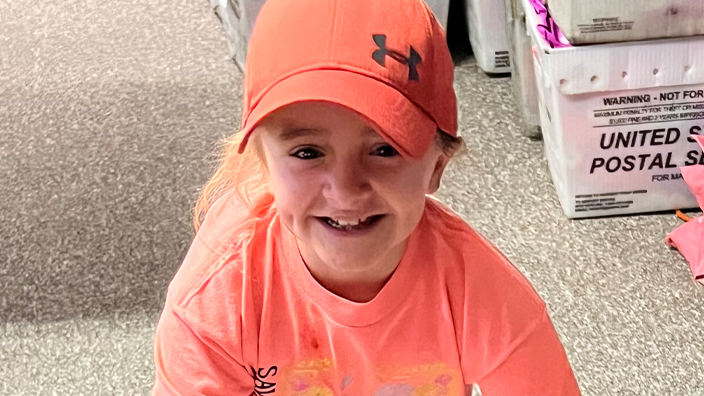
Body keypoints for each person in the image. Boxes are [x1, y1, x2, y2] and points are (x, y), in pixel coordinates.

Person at [151, 0, 581, 394]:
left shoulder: (478, 293)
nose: (345, 189)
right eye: (307, 152)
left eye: (383, 150)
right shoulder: (217, 298)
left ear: (436, 166)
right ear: (264, 164)